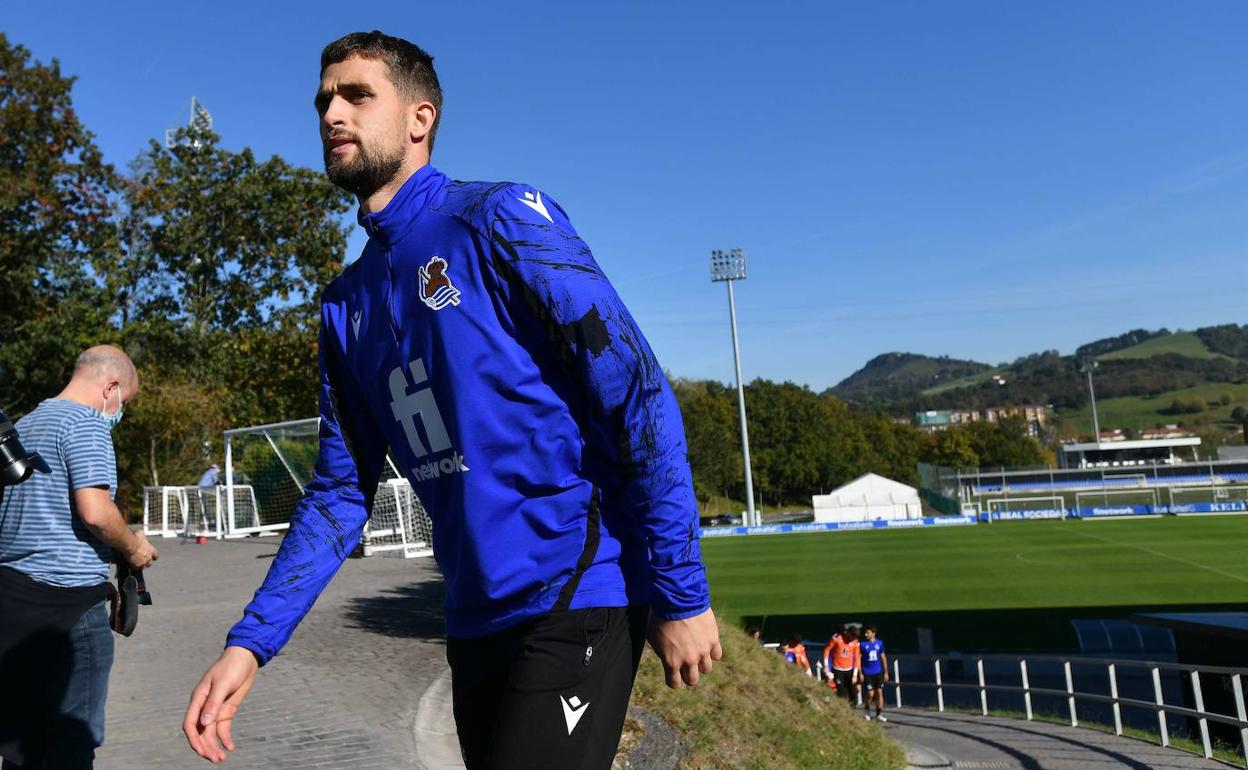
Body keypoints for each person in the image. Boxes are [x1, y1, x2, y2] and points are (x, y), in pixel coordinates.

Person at [182, 30, 720, 770]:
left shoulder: (499, 220)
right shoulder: (346, 304)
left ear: (419, 118)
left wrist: (681, 592)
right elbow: (342, 493)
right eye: (323, 100)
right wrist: (251, 644)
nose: (332, 113)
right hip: (472, 617)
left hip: (576, 587)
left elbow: (637, 393)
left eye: (356, 94)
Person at [0, 345, 159, 769]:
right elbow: (95, 511)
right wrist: (133, 547)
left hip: (12, 602)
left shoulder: (23, 426)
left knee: (20, 744)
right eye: (123, 402)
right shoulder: (86, 424)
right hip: (69, 606)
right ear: (110, 387)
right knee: (71, 743)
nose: (119, 412)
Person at [857, 624, 889, 722]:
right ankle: (867, 709)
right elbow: (858, 658)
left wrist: (886, 672)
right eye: (865, 633)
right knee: (870, 693)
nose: (866, 634)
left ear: (873, 633)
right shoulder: (862, 644)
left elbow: (883, 657)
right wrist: (860, 672)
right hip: (867, 672)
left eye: (868, 633)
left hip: (878, 671)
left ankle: (879, 713)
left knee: (879, 692)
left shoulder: (879, 643)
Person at [822, 624, 860, 704]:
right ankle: (841, 711)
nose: (852, 640)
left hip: (849, 671)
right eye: (851, 637)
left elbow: (856, 658)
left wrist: (855, 674)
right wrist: (826, 666)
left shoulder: (855, 643)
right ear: (848, 633)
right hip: (838, 670)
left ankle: (851, 710)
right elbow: (827, 650)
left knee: (854, 695)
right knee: (841, 693)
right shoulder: (837, 639)